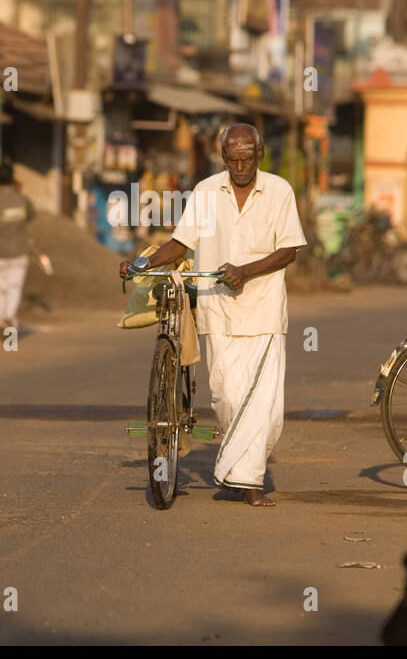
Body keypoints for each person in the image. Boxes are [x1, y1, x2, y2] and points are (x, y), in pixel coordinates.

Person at [119, 123, 307, 507]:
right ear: (224, 157)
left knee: (264, 406)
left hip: (265, 310)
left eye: (247, 158)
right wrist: (142, 262)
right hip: (217, 309)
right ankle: (242, 467)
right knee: (226, 397)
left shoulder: (279, 191)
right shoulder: (206, 191)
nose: (240, 166)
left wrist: (245, 271)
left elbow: (289, 250)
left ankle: (249, 482)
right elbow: (180, 242)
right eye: (233, 159)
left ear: (260, 155)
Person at [0, 163, 36, 340]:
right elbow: (31, 218)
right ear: (12, 178)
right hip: (19, 252)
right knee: (14, 288)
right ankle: (7, 318)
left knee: (1, 289)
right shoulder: (22, 200)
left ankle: (0, 321)